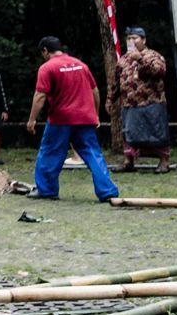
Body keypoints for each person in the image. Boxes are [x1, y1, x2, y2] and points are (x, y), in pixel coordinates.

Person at [26, 37, 119, 202]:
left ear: (45, 51)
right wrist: (95, 114)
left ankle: (47, 190)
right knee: (92, 153)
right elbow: (95, 90)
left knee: (50, 152)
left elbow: (40, 96)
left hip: (61, 119)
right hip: (85, 117)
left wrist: (32, 119)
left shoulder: (47, 67)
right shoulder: (80, 64)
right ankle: (107, 191)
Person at [113, 27, 171, 174]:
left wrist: (139, 58)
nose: (131, 41)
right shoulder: (123, 60)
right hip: (129, 104)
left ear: (143, 40)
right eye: (128, 39)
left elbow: (159, 71)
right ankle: (128, 161)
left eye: (135, 38)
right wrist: (110, 99)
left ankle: (164, 162)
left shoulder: (153, 56)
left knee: (157, 134)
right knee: (129, 134)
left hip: (151, 102)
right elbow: (116, 82)